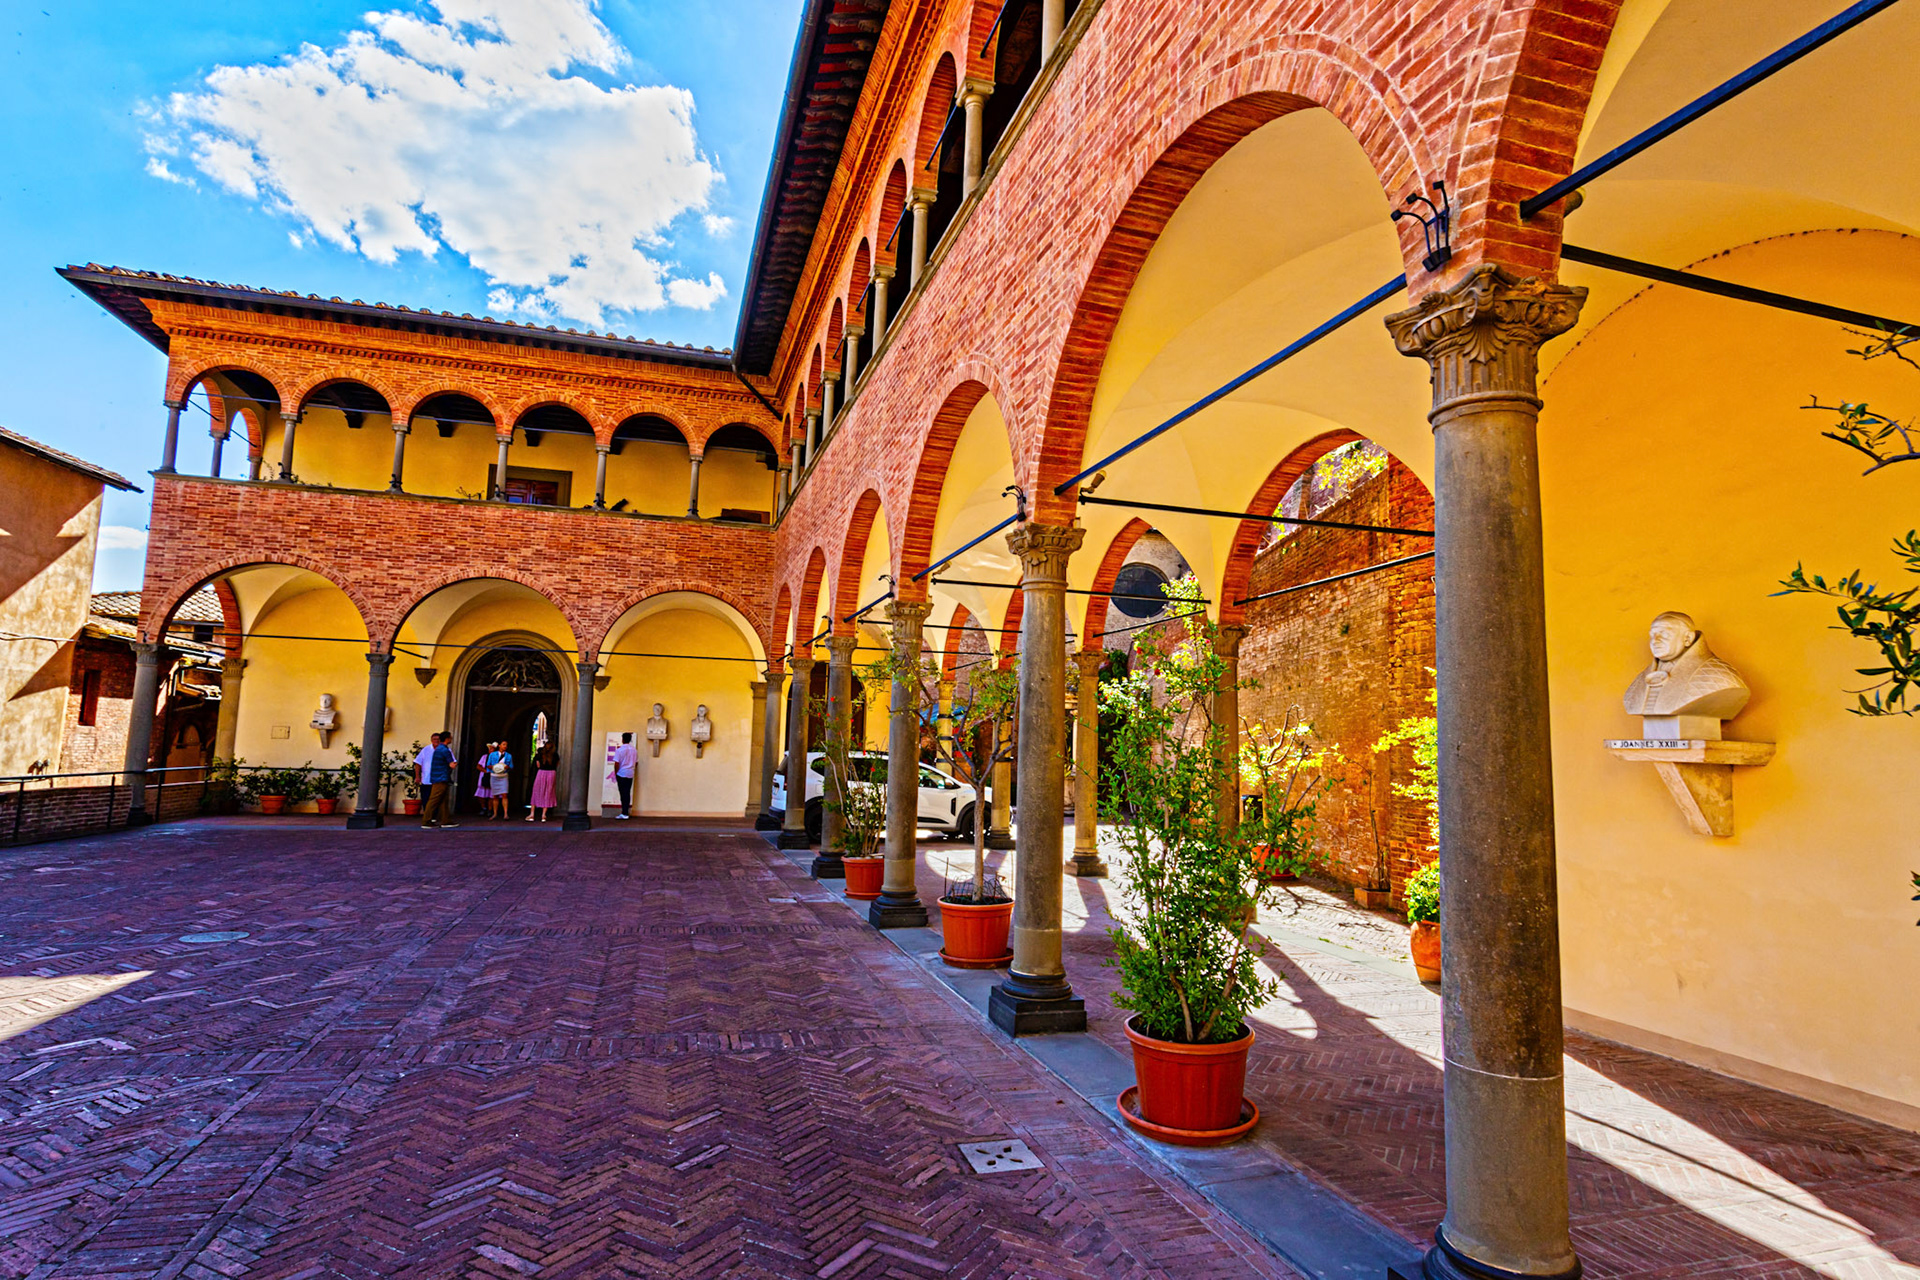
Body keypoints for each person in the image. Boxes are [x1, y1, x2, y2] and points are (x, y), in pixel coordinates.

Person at [421, 733, 458, 829]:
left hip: (436, 777)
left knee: (443, 800)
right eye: (450, 737)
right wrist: (455, 763)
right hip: (442, 777)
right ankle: (426, 820)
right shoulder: (445, 750)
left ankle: (446, 820)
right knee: (434, 799)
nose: (451, 739)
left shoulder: (438, 749)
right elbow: (451, 765)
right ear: (447, 739)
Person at [609, 731, 638, 820]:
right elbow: (636, 763)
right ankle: (626, 812)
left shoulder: (619, 750)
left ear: (622, 739)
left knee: (622, 793)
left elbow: (616, 763)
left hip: (621, 773)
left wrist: (616, 772)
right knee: (627, 792)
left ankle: (624, 812)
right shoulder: (634, 750)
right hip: (630, 773)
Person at [527, 744, 558, 822]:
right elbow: (557, 765)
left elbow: (538, 765)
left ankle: (532, 814)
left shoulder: (539, 755)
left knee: (536, 791)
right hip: (551, 773)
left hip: (541, 772)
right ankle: (543, 815)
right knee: (548, 792)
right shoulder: (555, 755)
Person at [485, 741, 514, 819]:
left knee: (504, 794)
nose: (505, 746)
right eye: (503, 745)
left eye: (506, 745)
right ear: (499, 746)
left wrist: (507, 767)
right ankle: (495, 813)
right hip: (494, 775)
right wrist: (495, 767)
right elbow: (488, 765)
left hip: (503, 775)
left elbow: (511, 766)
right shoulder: (492, 755)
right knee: (495, 796)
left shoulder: (508, 756)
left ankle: (505, 814)